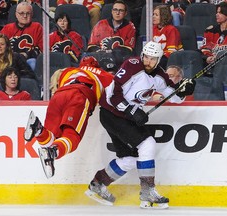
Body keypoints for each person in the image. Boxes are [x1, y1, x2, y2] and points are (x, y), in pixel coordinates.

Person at [84, 41, 196, 209]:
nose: (148, 61)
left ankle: (98, 184)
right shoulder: (132, 66)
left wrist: (183, 91)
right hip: (111, 113)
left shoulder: (160, 76)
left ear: (159, 60)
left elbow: (173, 97)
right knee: (147, 143)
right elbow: (114, 95)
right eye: (146, 57)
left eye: (153, 59)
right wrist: (132, 111)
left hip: (124, 117)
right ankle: (147, 191)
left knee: (129, 159)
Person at [23, 56, 114, 178]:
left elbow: (56, 84)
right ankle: (53, 152)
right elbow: (116, 95)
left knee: (52, 138)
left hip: (58, 96)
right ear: (97, 66)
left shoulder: (68, 71)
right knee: (72, 137)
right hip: (79, 96)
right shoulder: (105, 76)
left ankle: (38, 128)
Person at [87, 0, 136, 72]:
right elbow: (91, 46)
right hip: (100, 60)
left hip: (119, 63)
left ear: (125, 13)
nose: (117, 13)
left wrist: (111, 53)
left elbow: (128, 49)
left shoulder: (130, 26)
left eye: (121, 10)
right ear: (112, 11)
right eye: (115, 10)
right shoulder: (100, 24)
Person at [0, 1, 43, 71]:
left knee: (33, 63)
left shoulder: (37, 27)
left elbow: (42, 49)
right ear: (16, 14)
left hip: (29, 61)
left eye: (28, 13)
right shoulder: (7, 28)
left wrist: (27, 54)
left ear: (32, 14)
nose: (25, 16)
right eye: (21, 13)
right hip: (9, 60)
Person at [200, 2, 227, 67]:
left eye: (220, 13)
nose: (217, 15)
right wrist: (207, 58)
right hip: (209, 65)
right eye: (217, 12)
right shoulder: (210, 31)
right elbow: (205, 48)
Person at [152, 4, 183, 69]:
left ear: (164, 16)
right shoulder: (153, 28)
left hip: (172, 59)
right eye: (153, 14)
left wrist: (156, 58)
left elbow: (172, 51)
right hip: (158, 57)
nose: (153, 17)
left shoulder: (171, 29)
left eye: (156, 15)